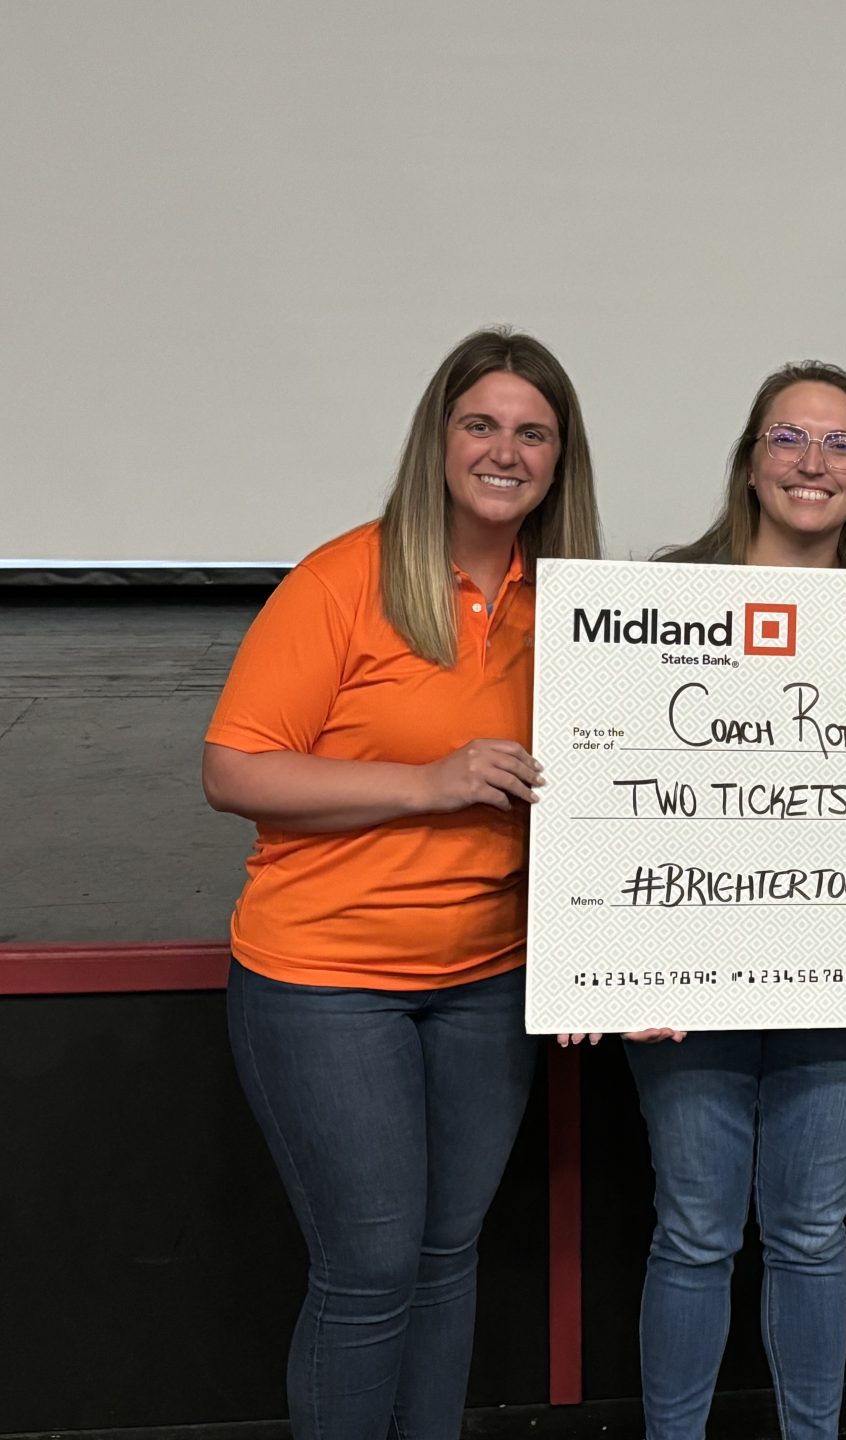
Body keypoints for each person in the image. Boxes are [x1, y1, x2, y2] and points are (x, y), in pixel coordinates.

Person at [202, 328, 603, 1440]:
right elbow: (233, 770)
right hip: (328, 981)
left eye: (533, 433)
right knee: (370, 1268)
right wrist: (429, 784)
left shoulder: (571, 605)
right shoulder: (343, 580)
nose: (505, 451)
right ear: (438, 438)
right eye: (481, 424)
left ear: (561, 460)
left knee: (443, 1257)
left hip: (487, 980)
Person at [600, 360, 846, 1440]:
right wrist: (607, 957)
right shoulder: (662, 598)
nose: (813, 462)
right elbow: (608, 793)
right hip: (685, 981)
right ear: (748, 461)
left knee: (812, 1231)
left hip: (843, 973)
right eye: (789, 437)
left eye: (840, 444)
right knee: (695, 1231)